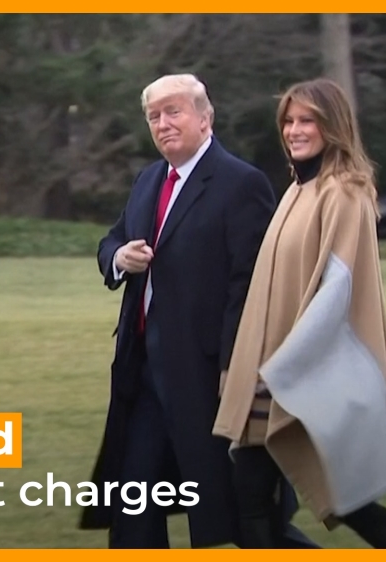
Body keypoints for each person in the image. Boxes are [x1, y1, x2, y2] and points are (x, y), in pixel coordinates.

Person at [78, 73, 318, 549]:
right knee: (133, 501)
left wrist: (234, 368)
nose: (163, 124)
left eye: (174, 111)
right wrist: (119, 258)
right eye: (154, 116)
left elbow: (247, 286)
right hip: (141, 374)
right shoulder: (149, 179)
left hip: (206, 377)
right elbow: (112, 240)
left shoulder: (240, 184)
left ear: (205, 119)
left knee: (234, 512)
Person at [211, 77, 386, 548]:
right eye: (288, 121)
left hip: (304, 376)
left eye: (307, 120)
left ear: (333, 126)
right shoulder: (296, 190)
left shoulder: (344, 193)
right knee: (250, 500)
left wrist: (287, 368)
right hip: (267, 377)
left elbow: (337, 292)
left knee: (348, 504)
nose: (294, 130)